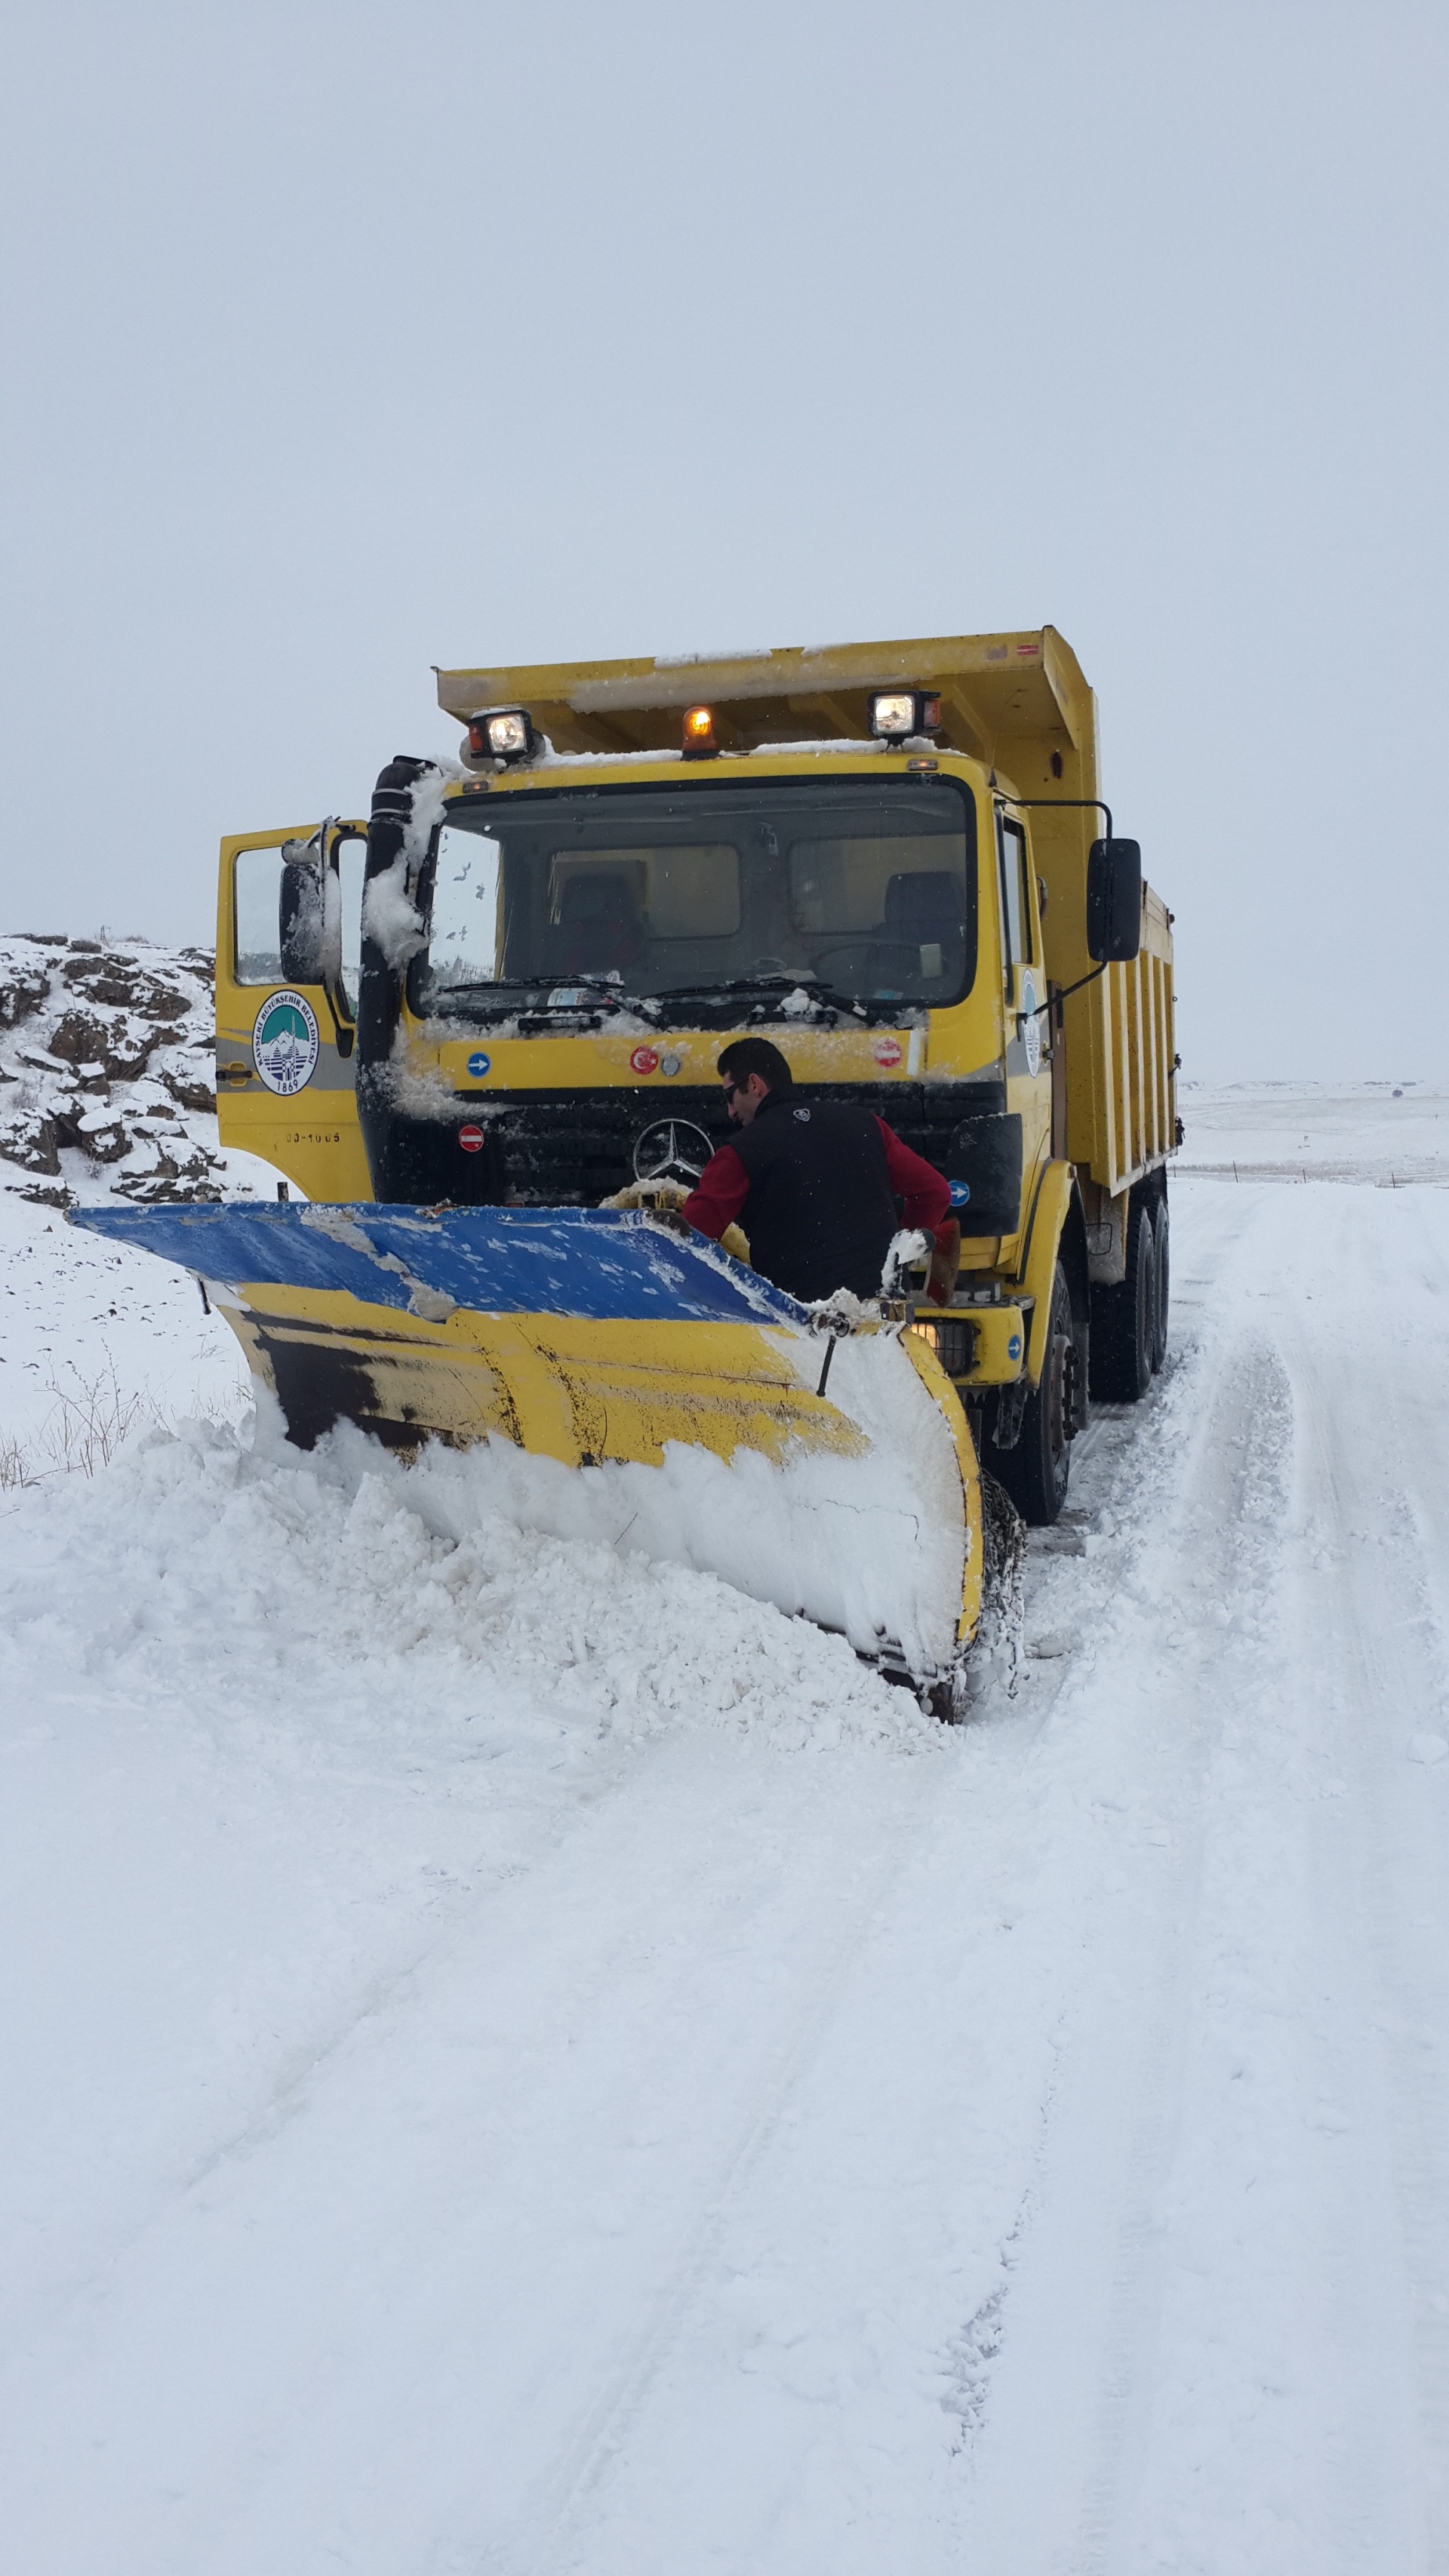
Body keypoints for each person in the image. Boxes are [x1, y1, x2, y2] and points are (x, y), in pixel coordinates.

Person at [680, 1037, 959, 1306]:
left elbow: (686, 1241)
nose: (730, 1111)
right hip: (886, 1308)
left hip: (805, 1319)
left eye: (729, 1096)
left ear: (754, 1085)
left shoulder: (741, 1152)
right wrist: (896, 1254)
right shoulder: (866, 1125)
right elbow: (935, 1192)